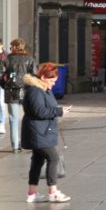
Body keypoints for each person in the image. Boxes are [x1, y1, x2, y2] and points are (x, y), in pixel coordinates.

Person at [23, 62, 72, 203]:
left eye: (55, 81)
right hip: (38, 132)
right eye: (51, 80)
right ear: (43, 77)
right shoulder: (35, 90)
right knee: (53, 158)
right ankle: (53, 192)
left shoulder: (44, 89)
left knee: (38, 161)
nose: (53, 84)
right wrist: (58, 111)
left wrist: (58, 110)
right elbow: (39, 111)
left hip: (42, 131)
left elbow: (46, 107)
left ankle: (32, 194)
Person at [0, 38, 37, 154]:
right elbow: (35, 75)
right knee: (30, 116)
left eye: (11, 47)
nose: (10, 49)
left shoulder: (7, 59)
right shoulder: (30, 58)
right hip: (27, 91)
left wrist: (6, 85)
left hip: (11, 92)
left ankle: (15, 146)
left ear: (15, 47)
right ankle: (32, 142)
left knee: (13, 119)